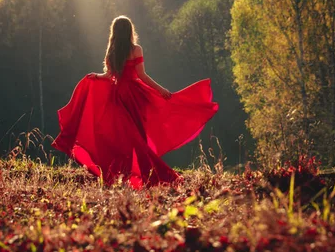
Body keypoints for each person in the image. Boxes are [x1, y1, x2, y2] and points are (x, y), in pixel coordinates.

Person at [52, 15, 218, 188]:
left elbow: (109, 75)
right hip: (135, 96)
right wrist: (161, 90)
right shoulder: (136, 49)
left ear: (114, 32)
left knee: (126, 140)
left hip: (117, 96)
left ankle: (127, 176)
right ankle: (147, 177)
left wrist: (96, 77)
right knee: (138, 140)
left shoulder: (112, 51)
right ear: (130, 31)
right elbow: (142, 76)